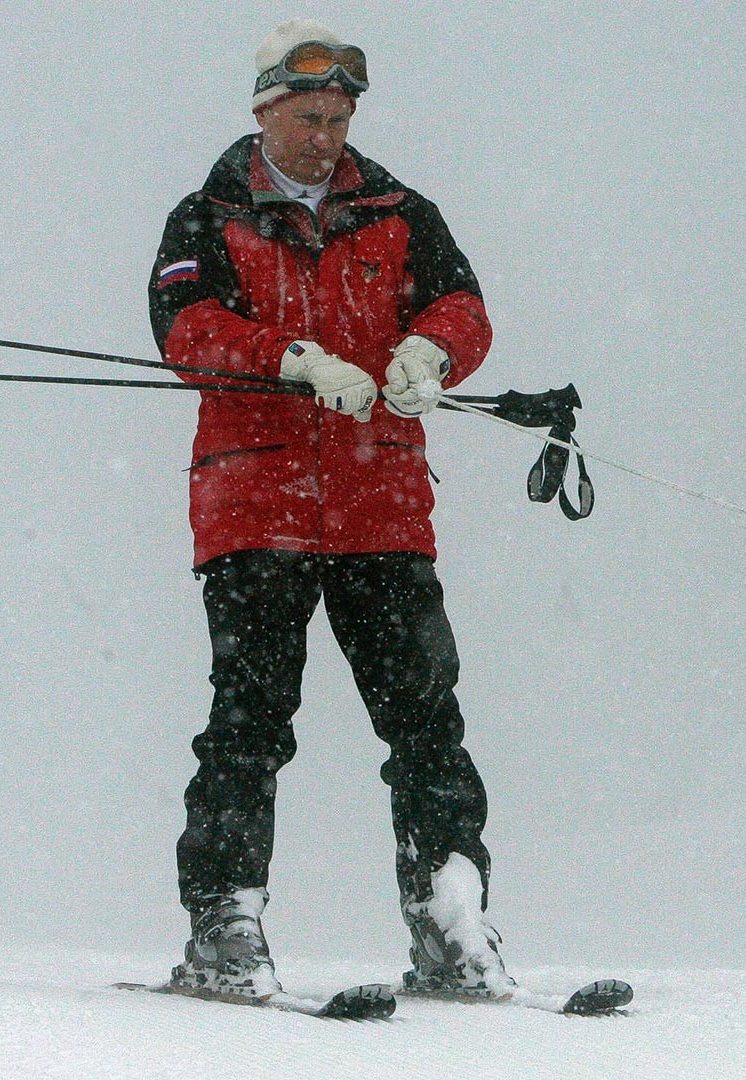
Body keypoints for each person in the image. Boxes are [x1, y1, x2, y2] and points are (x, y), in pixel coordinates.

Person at [147, 18, 511, 999]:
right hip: (255, 510)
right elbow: (185, 331)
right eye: (308, 116)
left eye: (339, 116)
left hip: (382, 510)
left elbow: (464, 308)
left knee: (427, 720)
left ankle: (453, 924)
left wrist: (429, 352)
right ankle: (225, 925)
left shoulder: (401, 211)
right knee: (251, 722)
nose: (326, 135)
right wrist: (292, 362)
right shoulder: (206, 217)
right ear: (265, 109)